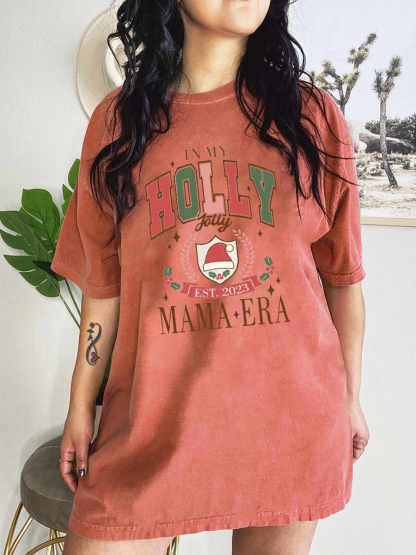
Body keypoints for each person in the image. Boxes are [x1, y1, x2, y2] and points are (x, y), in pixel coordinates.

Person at [51, 0, 370, 554]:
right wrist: (80, 406)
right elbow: (103, 288)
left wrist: (350, 398)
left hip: (292, 424)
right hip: (152, 429)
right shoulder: (118, 125)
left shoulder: (311, 118)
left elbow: (343, 281)